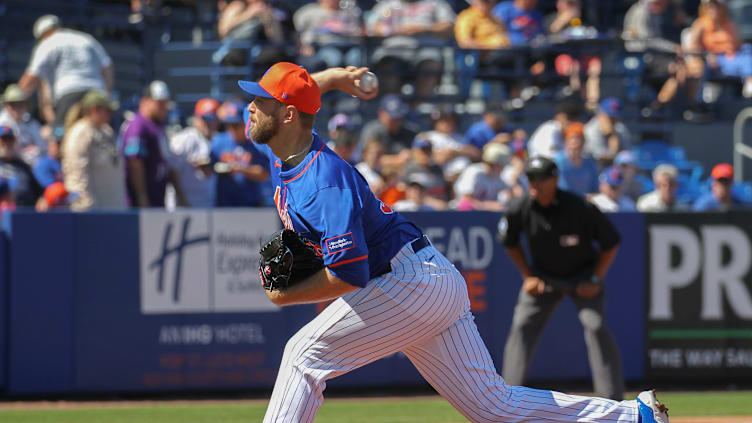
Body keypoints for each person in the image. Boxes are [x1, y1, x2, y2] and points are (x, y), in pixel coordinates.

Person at [239, 62, 668, 423]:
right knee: (492, 405)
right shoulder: (283, 146)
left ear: (289, 115)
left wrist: (288, 295)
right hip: (427, 279)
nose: (250, 108)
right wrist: (331, 78)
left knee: (302, 355)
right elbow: (297, 98)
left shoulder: (325, 182)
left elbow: (349, 273)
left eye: (260, 101)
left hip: (404, 283)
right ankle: (635, 416)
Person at [498, 156, 625, 401]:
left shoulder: (578, 206)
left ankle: (613, 401)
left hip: (582, 278)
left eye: (540, 179)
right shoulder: (520, 207)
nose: (534, 184)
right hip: (543, 280)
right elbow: (509, 241)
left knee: (595, 325)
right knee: (522, 324)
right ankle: (506, 399)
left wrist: (596, 279)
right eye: (530, 179)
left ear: (555, 180)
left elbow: (611, 242)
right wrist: (527, 276)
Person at [18, 15, 114, 129]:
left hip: (69, 95)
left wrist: (15, 96)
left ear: (42, 34)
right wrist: (106, 93)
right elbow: (108, 67)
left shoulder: (48, 42)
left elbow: (31, 77)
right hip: (97, 94)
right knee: (104, 135)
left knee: (59, 138)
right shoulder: (86, 38)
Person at [365, 0, 456, 97]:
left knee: (430, 67)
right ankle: (393, 106)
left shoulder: (436, 3)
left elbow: (449, 27)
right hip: (393, 49)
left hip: (426, 49)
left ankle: (417, 108)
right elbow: (371, 27)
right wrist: (396, 29)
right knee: (387, 66)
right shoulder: (387, 4)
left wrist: (424, 29)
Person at [120, 80, 184, 208]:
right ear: (145, 101)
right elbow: (135, 162)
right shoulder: (138, 126)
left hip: (157, 200)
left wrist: (180, 196)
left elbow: (167, 163)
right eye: (159, 103)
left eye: (165, 103)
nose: (164, 108)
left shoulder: (158, 126)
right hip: (140, 204)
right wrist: (142, 197)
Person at [63, 91, 127, 211]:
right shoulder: (80, 132)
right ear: (94, 110)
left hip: (114, 207)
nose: (111, 114)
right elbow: (77, 172)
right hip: (94, 210)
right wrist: (85, 203)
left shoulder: (107, 131)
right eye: (107, 110)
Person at [685, 0, 752, 98]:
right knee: (698, 69)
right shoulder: (700, 24)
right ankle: (697, 102)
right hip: (711, 61)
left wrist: (733, 49)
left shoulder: (729, 23)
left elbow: (738, 44)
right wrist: (707, 55)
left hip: (731, 58)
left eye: (716, 6)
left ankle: (749, 83)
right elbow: (693, 48)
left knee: (747, 50)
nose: (713, 9)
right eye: (710, 6)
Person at [211, 101, 270, 207]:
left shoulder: (255, 144)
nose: (232, 129)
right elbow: (210, 170)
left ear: (245, 124)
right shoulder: (218, 141)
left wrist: (240, 169)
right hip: (224, 204)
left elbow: (264, 174)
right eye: (230, 125)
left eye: (236, 125)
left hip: (251, 203)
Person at [169, 98, 220, 208]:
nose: (208, 123)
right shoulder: (185, 138)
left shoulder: (216, 141)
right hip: (184, 207)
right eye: (204, 119)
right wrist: (181, 199)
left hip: (207, 206)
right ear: (196, 118)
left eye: (212, 119)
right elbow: (172, 171)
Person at [294, 0, 363, 69]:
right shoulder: (309, 12)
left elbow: (357, 29)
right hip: (325, 45)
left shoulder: (348, 11)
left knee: (356, 59)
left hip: (349, 44)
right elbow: (303, 31)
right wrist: (306, 45)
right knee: (335, 59)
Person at [356, 95, 420, 167]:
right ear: (381, 114)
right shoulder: (373, 131)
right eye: (393, 118)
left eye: (399, 117)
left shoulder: (409, 132)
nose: (397, 121)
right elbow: (368, 159)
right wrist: (396, 159)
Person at [454, 142, 512, 211]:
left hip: (486, 217)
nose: (503, 168)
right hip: (464, 216)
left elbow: (510, 193)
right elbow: (464, 201)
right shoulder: (473, 172)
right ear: (495, 163)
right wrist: (488, 206)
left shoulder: (498, 177)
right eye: (502, 165)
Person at [0, 84, 47, 166]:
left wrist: (34, 151)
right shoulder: (2, 122)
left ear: (26, 105)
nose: (17, 108)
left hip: (30, 164)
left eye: (20, 104)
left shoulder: (32, 123)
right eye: (13, 105)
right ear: (6, 106)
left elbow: (43, 147)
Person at [0, 125, 44, 207]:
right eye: (3, 140)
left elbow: (38, 190)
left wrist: (41, 199)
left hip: (24, 212)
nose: (7, 144)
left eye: (10, 140)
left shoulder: (23, 166)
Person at [554, 122, 599, 196]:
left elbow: (595, 188)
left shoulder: (589, 163)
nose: (576, 142)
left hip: (587, 202)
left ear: (584, 142)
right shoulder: (559, 162)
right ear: (566, 141)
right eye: (572, 138)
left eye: (579, 138)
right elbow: (562, 190)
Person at [584, 97, 632, 164]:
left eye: (615, 117)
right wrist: (612, 137)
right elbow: (602, 158)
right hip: (593, 167)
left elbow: (628, 155)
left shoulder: (620, 129)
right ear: (601, 114)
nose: (613, 120)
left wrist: (612, 135)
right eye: (610, 117)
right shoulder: (591, 129)